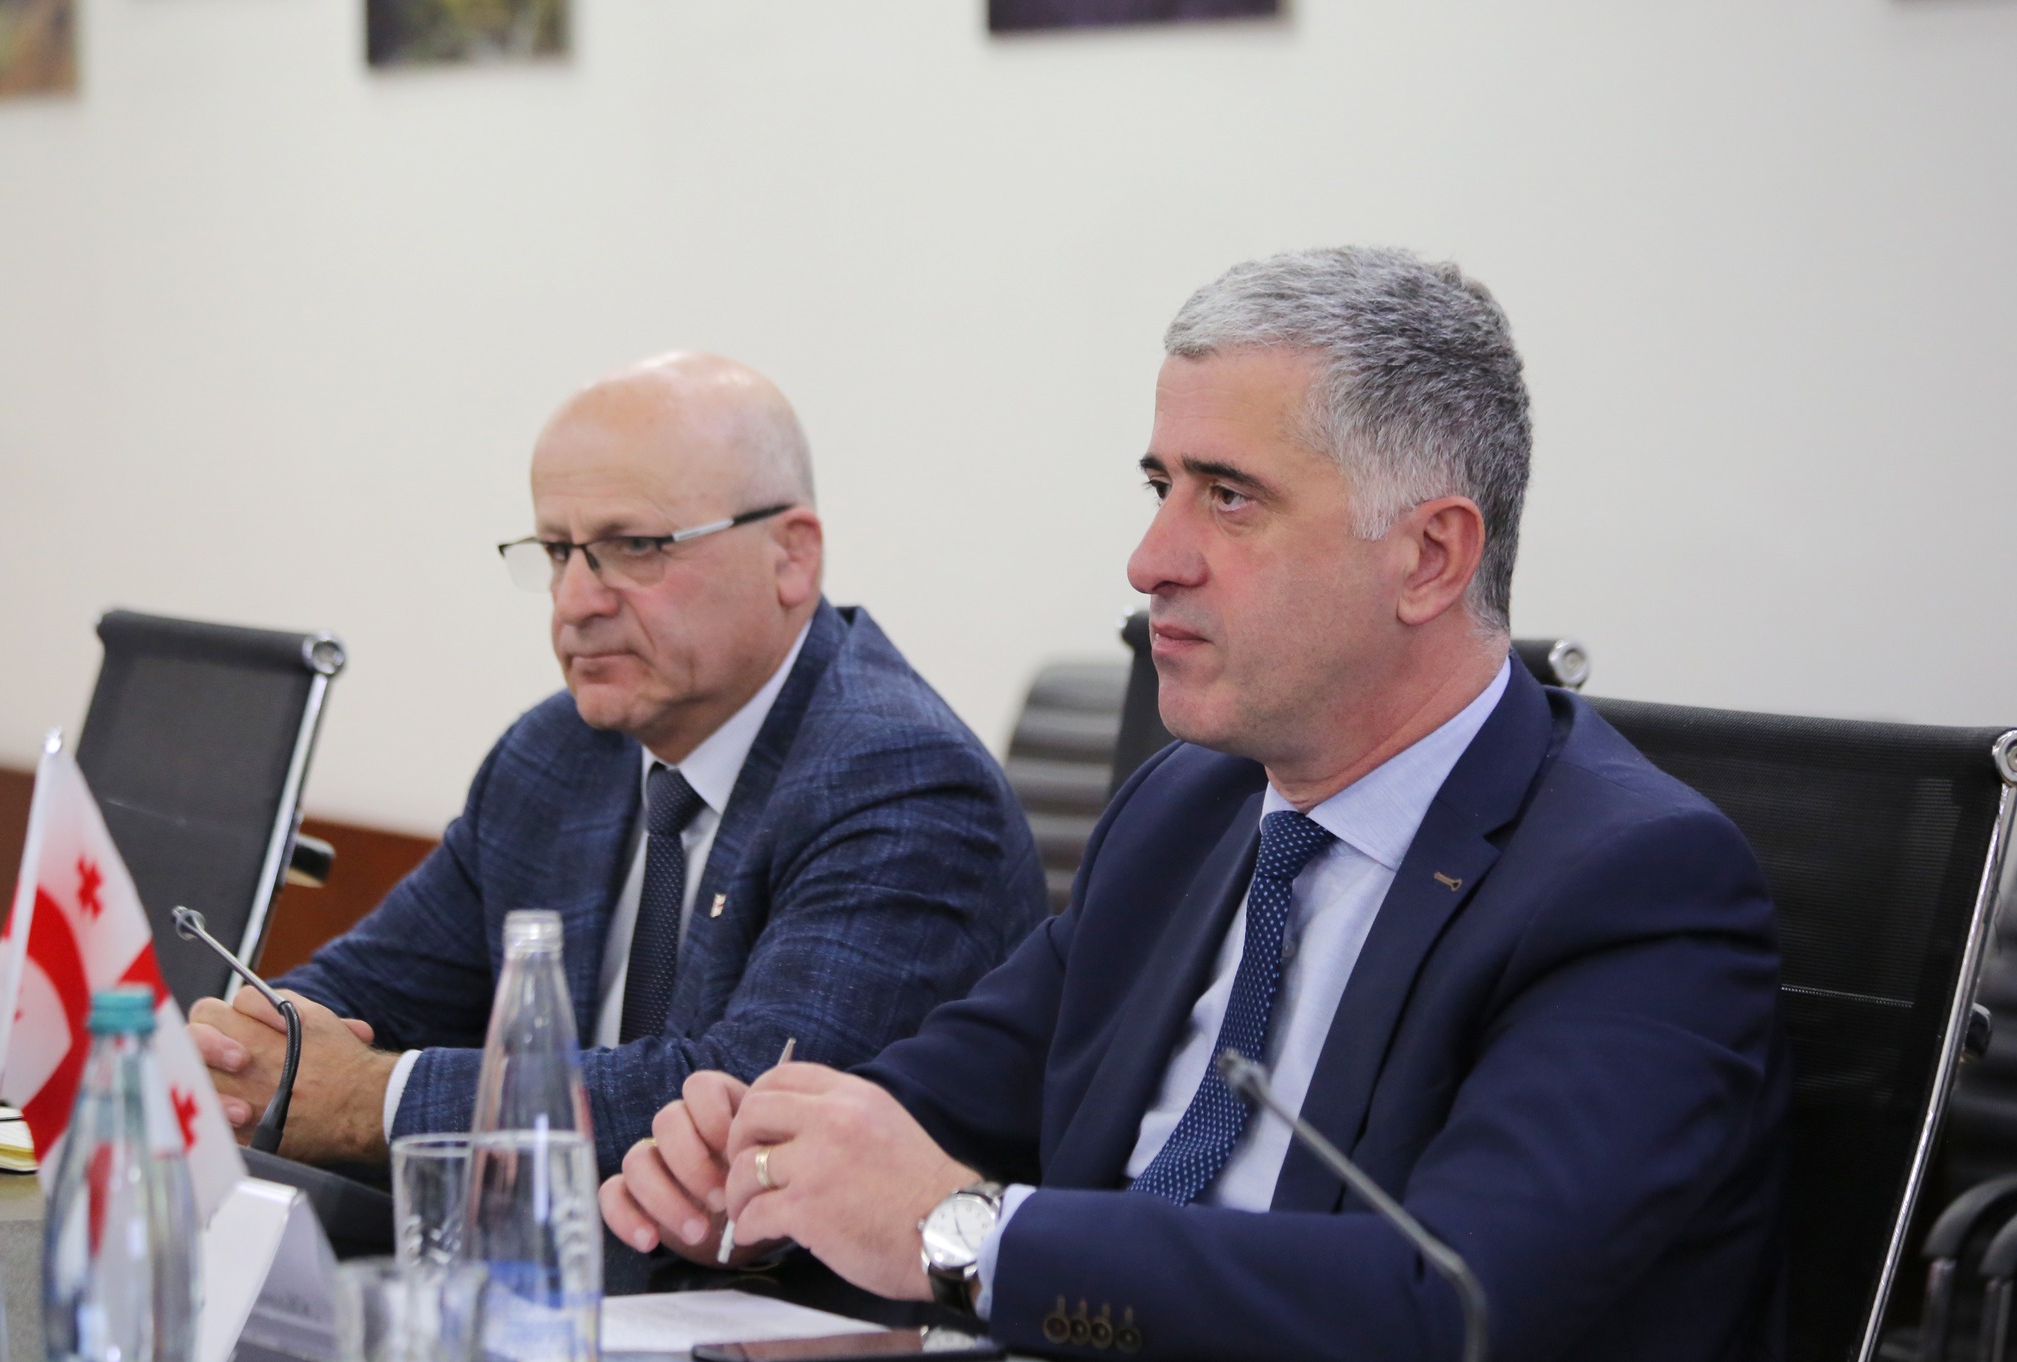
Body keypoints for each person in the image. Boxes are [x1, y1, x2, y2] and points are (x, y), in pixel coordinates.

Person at [600, 251, 1792, 1360]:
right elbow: (933, 1103)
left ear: (1428, 557)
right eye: (1160, 485)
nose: (1149, 560)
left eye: (1227, 498)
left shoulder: (1633, 887)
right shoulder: (1186, 809)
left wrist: (960, 1237)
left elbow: (1448, 1305)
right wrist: (762, 1163)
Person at [188, 352, 1046, 1207]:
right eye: (558, 551)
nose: (574, 602)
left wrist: (369, 1100)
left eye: (633, 547)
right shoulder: (557, 753)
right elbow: (369, 992)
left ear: (791, 556)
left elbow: (740, 1113)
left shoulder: (902, 783)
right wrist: (248, 1055)